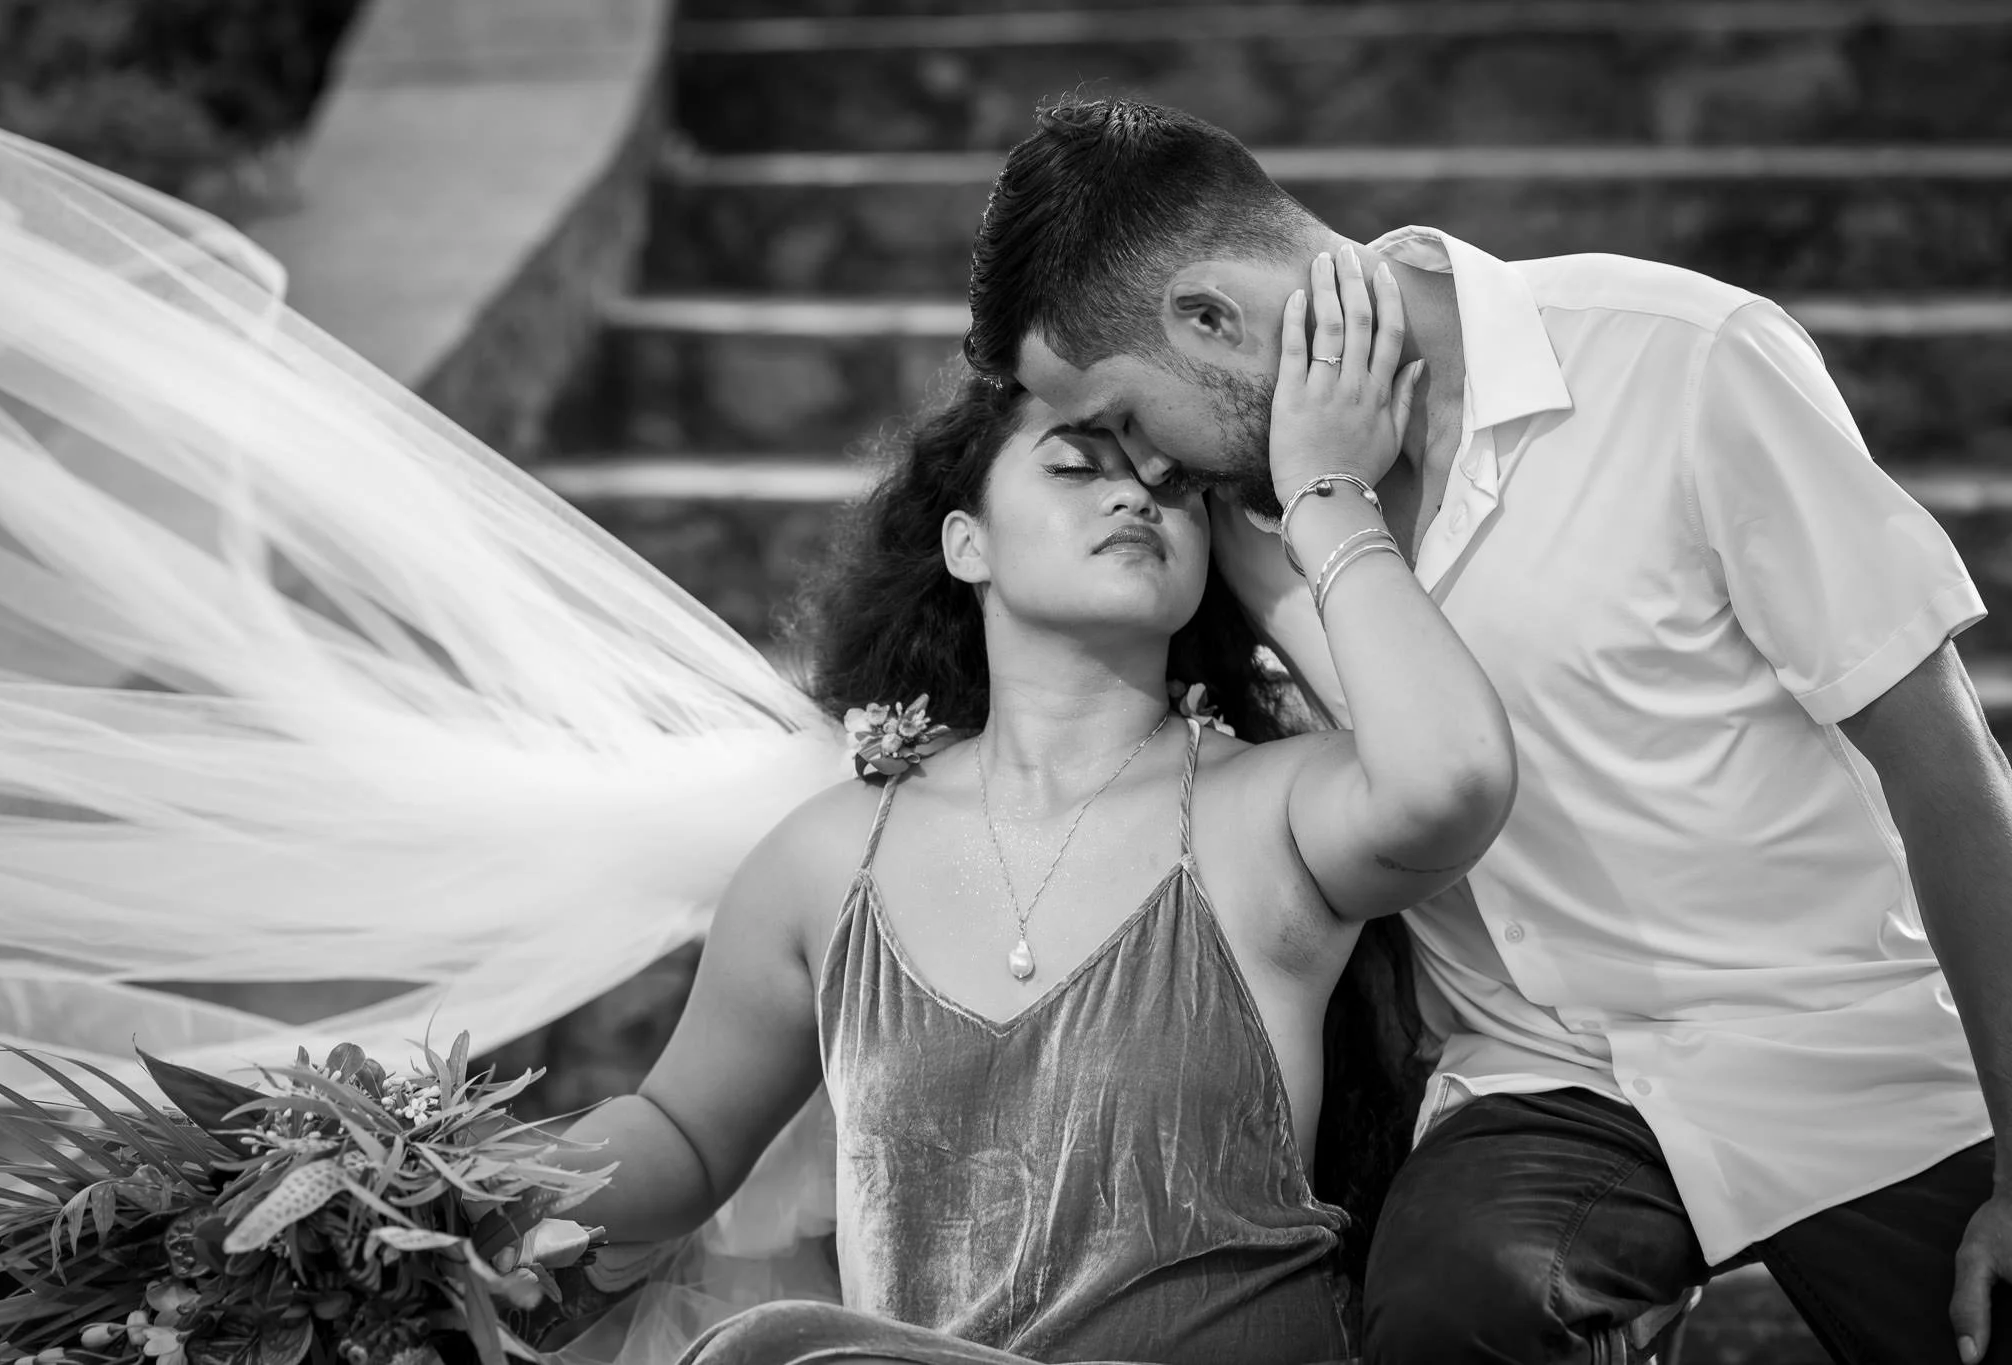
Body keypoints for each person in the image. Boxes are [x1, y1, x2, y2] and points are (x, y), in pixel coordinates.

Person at [963, 95, 2012, 1365]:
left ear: (1206, 320)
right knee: (1446, 1314)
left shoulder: (1678, 358)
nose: (1144, 472)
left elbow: (1949, 772)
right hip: (1545, 1082)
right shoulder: (1235, 525)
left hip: (1848, 1045)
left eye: (1127, 420)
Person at [557, 250, 1515, 1362]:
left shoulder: (1271, 811)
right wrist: (456, 1195)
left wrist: (1319, 497)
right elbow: (682, 1134)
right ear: (967, 543)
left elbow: (1449, 779)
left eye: (1174, 492)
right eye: (1075, 469)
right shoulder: (826, 857)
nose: (1130, 495)